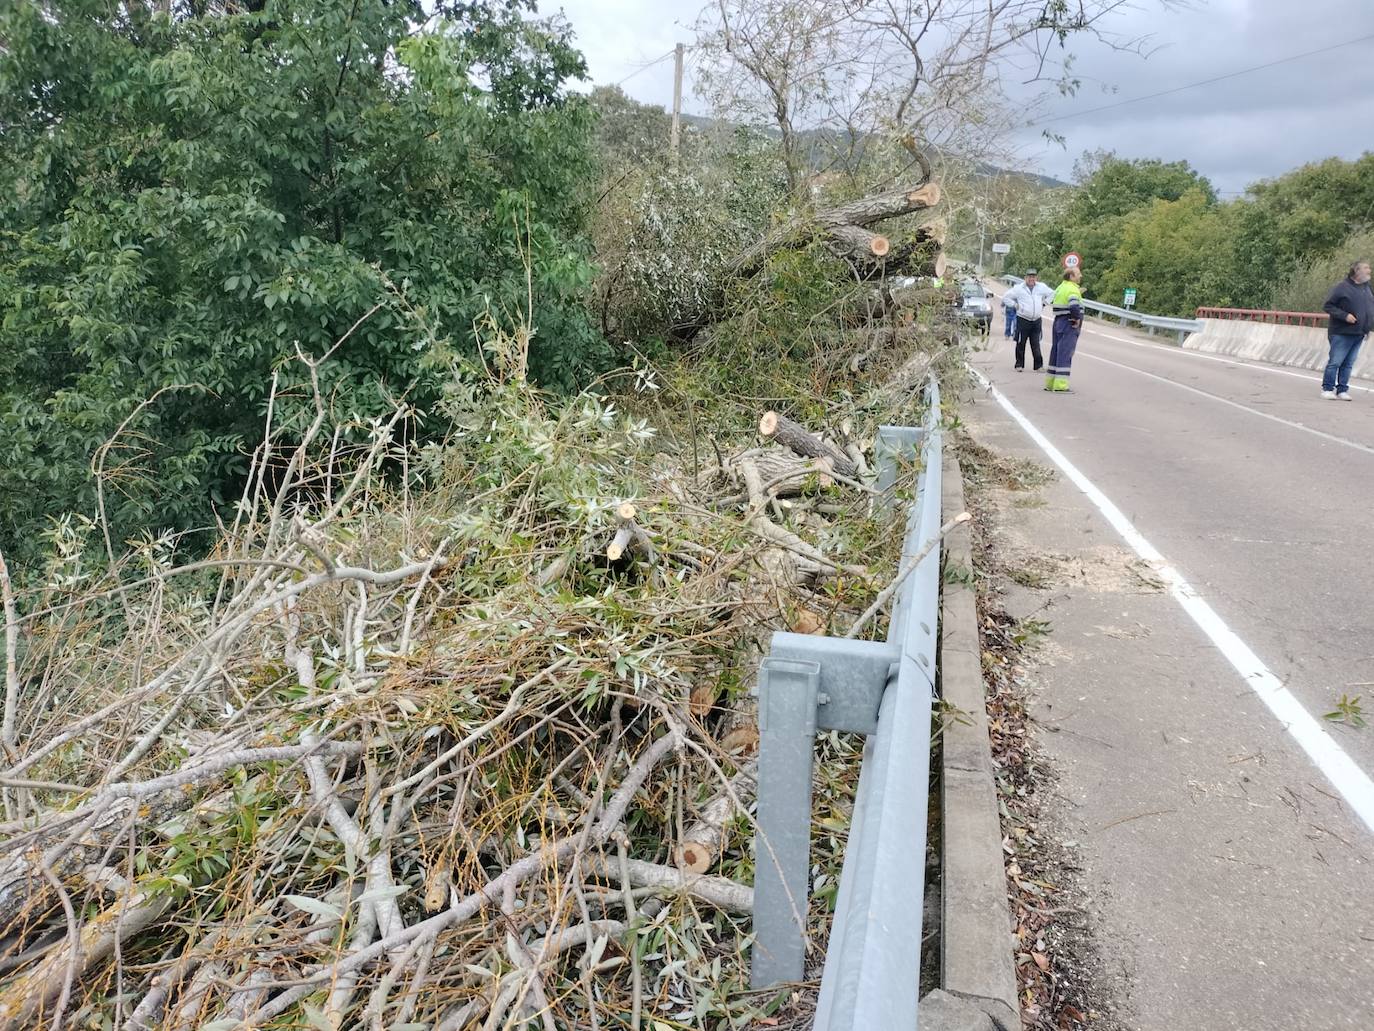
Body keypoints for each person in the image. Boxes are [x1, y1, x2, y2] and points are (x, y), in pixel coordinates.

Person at [1320, 259, 1373, 400]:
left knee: (1348, 364)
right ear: (1357, 271)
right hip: (1341, 332)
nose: (1369, 270)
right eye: (1366, 268)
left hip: (1359, 333)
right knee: (1335, 362)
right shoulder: (1341, 287)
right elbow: (1328, 306)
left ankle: (1342, 389)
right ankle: (1327, 388)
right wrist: (1345, 316)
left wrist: (1367, 328)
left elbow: (1368, 309)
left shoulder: (1367, 288)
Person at [1004, 269, 1054, 371]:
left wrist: (1044, 303)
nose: (1031, 279)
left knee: (1036, 343)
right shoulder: (1019, 288)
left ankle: (1038, 365)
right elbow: (1006, 297)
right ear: (1025, 278)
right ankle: (1019, 364)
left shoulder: (1041, 287)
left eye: (1033, 277)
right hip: (1023, 319)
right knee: (1021, 342)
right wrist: (1015, 305)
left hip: (1036, 320)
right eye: (1029, 277)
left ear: (1036, 278)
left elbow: (1053, 293)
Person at [1045, 268, 1085, 392]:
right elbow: (1073, 305)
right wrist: (1077, 319)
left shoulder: (1061, 287)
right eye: (1078, 274)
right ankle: (1061, 385)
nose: (1081, 276)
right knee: (1065, 352)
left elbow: (1047, 300)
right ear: (1071, 276)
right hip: (1069, 322)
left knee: (1056, 351)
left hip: (1058, 321)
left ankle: (1050, 382)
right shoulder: (1073, 289)